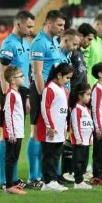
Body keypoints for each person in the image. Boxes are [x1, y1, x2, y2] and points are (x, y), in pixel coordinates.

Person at [0, 9, 35, 188]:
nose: (30, 29)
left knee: (17, 134)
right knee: (7, 136)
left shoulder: (26, 43)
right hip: (10, 92)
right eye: (28, 26)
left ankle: (11, 177)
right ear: (18, 24)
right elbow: (3, 69)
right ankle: (3, 178)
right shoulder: (9, 43)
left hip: (22, 91)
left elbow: (25, 72)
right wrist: (6, 95)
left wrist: (26, 95)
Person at [30, 10, 67, 188]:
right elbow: (37, 73)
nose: (62, 28)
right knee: (39, 134)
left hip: (53, 92)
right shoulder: (39, 43)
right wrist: (44, 94)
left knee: (52, 134)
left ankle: (48, 176)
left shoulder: (53, 41)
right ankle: (37, 176)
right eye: (59, 25)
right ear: (49, 23)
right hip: (43, 92)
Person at [37, 62, 73, 192]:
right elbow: (45, 108)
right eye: (67, 78)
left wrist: (65, 128)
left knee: (56, 155)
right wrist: (49, 126)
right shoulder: (50, 89)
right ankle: (47, 182)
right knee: (49, 156)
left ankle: (53, 179)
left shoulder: (63, 89)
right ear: (59, 75)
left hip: (59, 129)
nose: (68, 81)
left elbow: (64, 111)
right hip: (50, 130)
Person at [1, 66, 27, 196]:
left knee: (14, 158)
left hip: (18, 131)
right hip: (13, 132)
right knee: (10, 158)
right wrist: (11, 132)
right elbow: (8, 114)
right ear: (12, 80)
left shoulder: (17, 93)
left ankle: (12, 183)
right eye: (20, 76)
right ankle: (9, 185)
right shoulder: (11, 94)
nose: (23, 78)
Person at [67, 83, 94, 189]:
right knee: (78, 161)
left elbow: (90, 124)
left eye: (90, 95)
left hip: (86, 140)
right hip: (80, 141)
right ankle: (78, 181)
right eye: (87, 95)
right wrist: (78, 138)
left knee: (84, 161)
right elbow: (75, 125)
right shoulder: (76, 109)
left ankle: (81, 180)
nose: (89, 97)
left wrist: (91, 138)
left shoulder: (86, 108)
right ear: (80, 95)